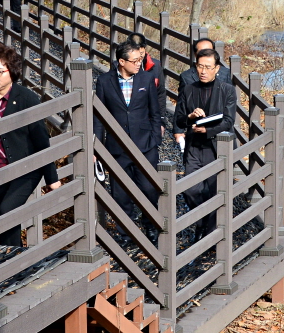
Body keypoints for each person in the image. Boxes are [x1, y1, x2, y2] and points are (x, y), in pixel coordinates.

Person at [0, 43, 61, 247]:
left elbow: (41, 139)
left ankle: (12, 262)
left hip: (24, 169)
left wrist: (52, 178)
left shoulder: (26, 98)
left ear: (12, 72)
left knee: (8, 210)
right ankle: (4, 261)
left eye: (0, 71)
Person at [93, 37, 164, 241]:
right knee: (120, 193)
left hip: (145, 144)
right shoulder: (105, 82)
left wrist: (155, 139)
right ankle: (125, 231)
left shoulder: (146, 79)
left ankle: (150, 224)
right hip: (117, 147)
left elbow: (155, 112)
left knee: (149, 188)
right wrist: (97, 149)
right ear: (121, 62)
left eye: (139, 60)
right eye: (134, 61)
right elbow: (99, 118)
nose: (138, 64)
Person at [174, 48, 236, 241]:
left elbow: (228, 120)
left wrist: (208, 131)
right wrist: (190, 117)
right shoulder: (189, 89)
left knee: (213, 190)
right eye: (200, 66)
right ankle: (202, 223)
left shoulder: (227, 90)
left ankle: (209, 237)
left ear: (217, 68)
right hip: (194, 147)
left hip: (216, 146)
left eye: (208, 67)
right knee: (190, 188)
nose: (203, 71)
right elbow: (178, 119)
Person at [173, 38, 230, 149]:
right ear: (195, 55)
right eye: (202, 52)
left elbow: (230, 103)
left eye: (209, 51)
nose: (206, 55)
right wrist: (178, 131)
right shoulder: (187, 77)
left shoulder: (224, 73)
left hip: (219, 126)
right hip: (197, 128)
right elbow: (181, 104)